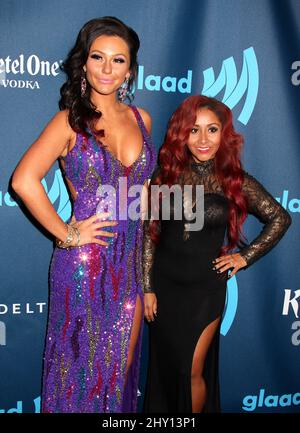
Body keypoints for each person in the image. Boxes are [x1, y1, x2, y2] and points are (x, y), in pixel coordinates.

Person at [12, 16, 156, 413]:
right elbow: (23, 181)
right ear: (84, 63)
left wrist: (147, 272)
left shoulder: (142, 120)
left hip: (127, 265)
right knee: (78, 374)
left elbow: (141, 198)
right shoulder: (69, 123)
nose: (107, 69)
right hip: (83, 265)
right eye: (98, 57)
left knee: (120, 371)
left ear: (130, 68)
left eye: (119, 60)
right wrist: (68, 233)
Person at [142, 95, 291, 413]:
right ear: (182, 134)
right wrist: (147, 288)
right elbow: (149, 234)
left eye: (212, 130)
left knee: (191, 370)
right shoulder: (164, 176)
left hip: (205, 290)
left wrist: (245, 256)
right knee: (166, 369)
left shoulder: (233, 180)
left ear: (224, 134)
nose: (203, 139)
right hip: (165, 287)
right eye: (194, 130)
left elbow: (280, 217)